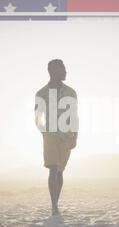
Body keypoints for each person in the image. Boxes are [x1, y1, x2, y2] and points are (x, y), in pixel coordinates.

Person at [34, 59, 78, 216]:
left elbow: (74, 116)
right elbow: (37, 117)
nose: (66, 71)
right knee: (52, 168)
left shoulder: (71, 92)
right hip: (50, 137)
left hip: (66, 137)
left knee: (59, 171)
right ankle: (54, 205)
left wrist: (75, 136)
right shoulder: (41, 93)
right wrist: (45, 133)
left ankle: (55, 203)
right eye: (63, 69)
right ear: (52, 71)